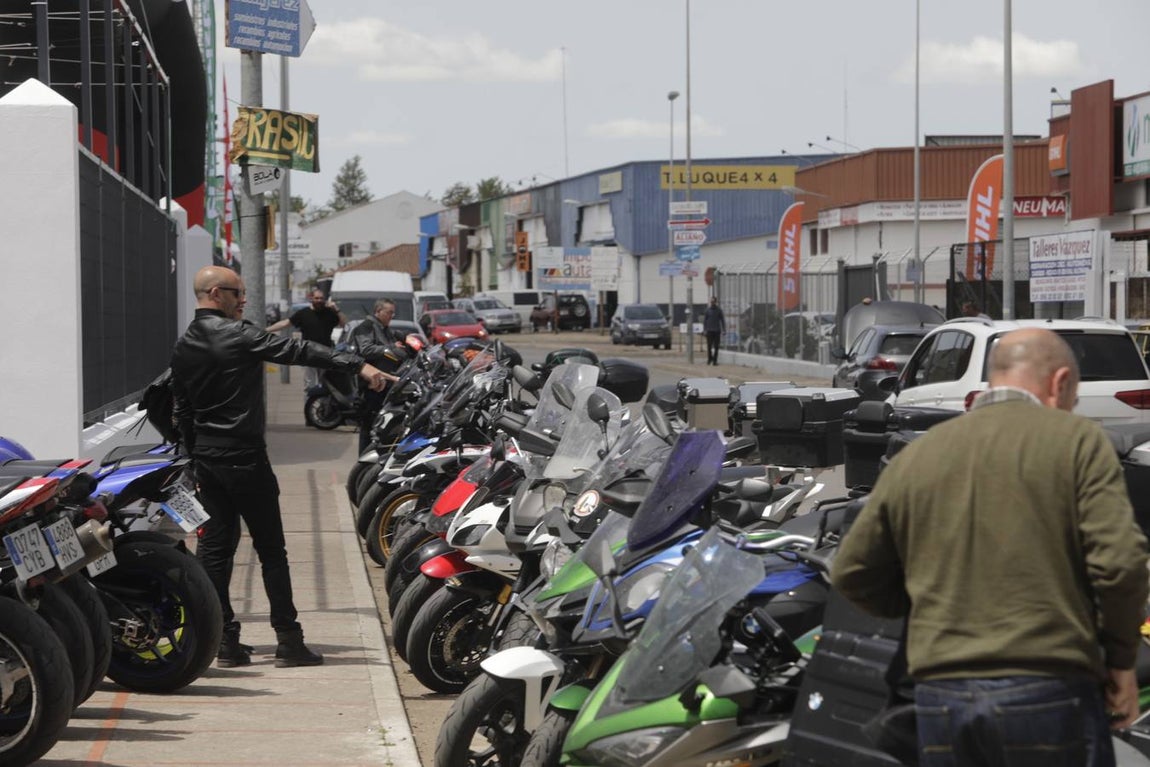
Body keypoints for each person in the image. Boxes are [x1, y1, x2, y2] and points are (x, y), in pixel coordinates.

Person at [833, 328, 1149, 767]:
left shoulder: (919, 456)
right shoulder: (1077, 441)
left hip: (940, 698)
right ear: (1059, 383)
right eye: (1073, 398)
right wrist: (1120, 661)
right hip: (1047, 689)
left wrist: (927, 606)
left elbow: (852, 571)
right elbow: (1121, 565)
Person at [171, 266, 393, 669]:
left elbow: (181, 410)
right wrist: (358, 365)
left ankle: (224, 641)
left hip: (207, 460)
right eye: (238, 292)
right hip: (245, 459)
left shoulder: (185, 343)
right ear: (217, 293)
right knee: (271, 549)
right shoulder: (238, 335)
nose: (244, 300)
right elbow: (298, 349)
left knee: (214, 552)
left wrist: (194, 459)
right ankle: (289, 641)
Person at [348, 299, 404, 454]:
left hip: (386, 384)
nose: (391, 316)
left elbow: (395, 353)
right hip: (371, 385)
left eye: (393, 312)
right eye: (389, 312)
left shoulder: (386, 329)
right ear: (378, 311)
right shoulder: (366, 328)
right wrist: (391, 348)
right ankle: (364, 464)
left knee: (381, 425)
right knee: (369, 426)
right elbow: (366, 349)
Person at [267, 289, 346, 390]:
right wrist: (267, 330)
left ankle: (323, 404)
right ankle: (310, 403)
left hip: (326, 353)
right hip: (309, 353)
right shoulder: (303, 314)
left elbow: (344, 324)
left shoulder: (330, 313)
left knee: (328, 385)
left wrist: (336, 309)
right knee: (310, 385)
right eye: (316, 298)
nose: (319, 300)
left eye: (321, 298)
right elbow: (286, 323)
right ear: (311, 299)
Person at [702, 296, 725, 366]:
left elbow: (722, 320)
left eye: (713, 301)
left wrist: (724, 330)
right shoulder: (708, 310)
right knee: (709, 346)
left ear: (715, 302)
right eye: (711, 302)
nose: (712, 303)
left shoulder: (719, 310)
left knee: (716, 347)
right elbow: (705, 321)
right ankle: (709, 359)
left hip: (717, 331)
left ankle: (715, 361)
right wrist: (705, 330)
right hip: (709, 331)